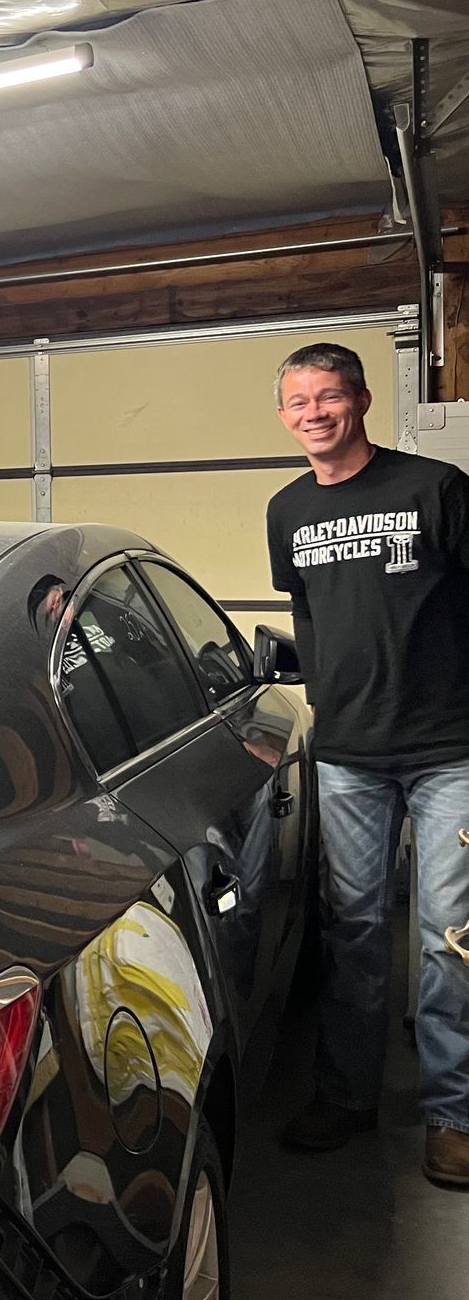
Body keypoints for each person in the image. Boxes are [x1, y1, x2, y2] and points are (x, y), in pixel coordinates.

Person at [265, 341, 469, 1186]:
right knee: (351, 931)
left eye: (329, 397)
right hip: (348, 752)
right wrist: (325, 705)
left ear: (359, 402)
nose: (314, 412)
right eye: (298, 401)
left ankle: (453, 1114)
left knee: (449, 940)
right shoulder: (286, 510)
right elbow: (307, 615)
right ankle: (347, 1098)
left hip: (451, 749)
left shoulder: (435, 488)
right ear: (284, 415)